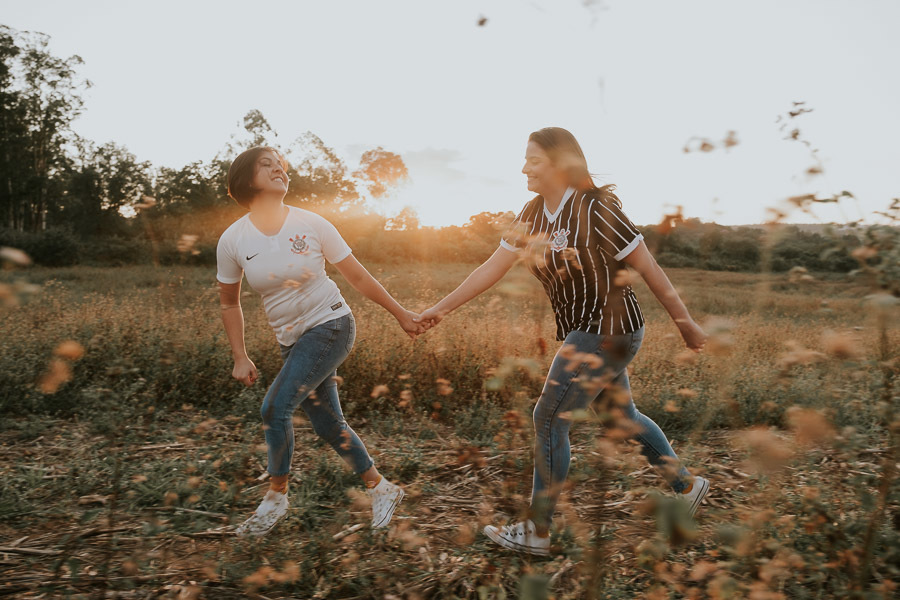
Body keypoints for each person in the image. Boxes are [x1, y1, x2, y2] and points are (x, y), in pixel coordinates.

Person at [417, 127, 710, 556]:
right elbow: (491, 268)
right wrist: (439, 309)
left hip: (609, 329)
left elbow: (649, 268)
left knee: (549, 418)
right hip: (587, 332)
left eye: (534, 160)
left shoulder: (596, 209)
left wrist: (686, 324)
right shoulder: (532, 213)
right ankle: (687, 485)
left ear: (560, 164)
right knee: (621, 418)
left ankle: (537, 530)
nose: (524, 168)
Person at [216, 146, 424, 536]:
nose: (279, 169)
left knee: (274, 408)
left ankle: (276, 498)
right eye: (267, 164)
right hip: (291, 341)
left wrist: (401, 313)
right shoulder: (233, 240)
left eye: (281, 164)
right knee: (328, 424)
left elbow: (357, 276)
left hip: (331, 325)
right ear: (245, 179)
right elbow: (229, 303)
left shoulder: (312, 223)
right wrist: (239, 355)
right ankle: (382, 488)